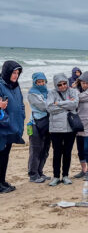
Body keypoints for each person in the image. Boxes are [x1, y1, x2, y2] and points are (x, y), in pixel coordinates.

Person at [46, 73, 79, 186]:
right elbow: (49, 107)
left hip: (70, 128)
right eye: (59, 85)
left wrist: (59, 104)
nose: (63, 86)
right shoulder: (51, 93)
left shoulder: (73, 91)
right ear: (56, 85)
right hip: (56, 129)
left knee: (67, 152)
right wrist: (66, 106)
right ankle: (56, 176)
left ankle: (65, 175)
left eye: (64, 83)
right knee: (57, 153)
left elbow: (74, 104)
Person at [0, 61, 25, 193]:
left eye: (17, 73)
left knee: (5, 155)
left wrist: (22, 115)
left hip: (12, 126)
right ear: (6, 72)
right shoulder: (0, 85)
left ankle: (2, 181)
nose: (15, 75)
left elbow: (20, 103)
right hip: (2, 127)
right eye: (13, 72)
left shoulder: (15, 86)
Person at [27, 72, 51, 183]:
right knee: (35, 149)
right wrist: (53, 104)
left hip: (47, 124)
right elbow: (43, 107)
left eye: (43, 81)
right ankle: (33, 174)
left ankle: (40, 172)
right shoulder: (32, 93)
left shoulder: (48, 92)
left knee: (45, 149)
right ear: (34, 82)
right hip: (35, 124)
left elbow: (53, 103)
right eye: (39, 82)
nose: (41, 84)